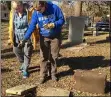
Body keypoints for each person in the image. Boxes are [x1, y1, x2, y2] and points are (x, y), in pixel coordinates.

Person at [20, 1, 65, 83]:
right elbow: (31, 27)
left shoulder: (55, 8)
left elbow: (62, 20)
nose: (39, 12)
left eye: (40, 10)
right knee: (43, 56)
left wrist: (54, 24)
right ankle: (42, 76)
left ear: (44, 5)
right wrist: (25, 38)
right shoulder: (36, 13)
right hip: (43, 37)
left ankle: (53, 74)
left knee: (54, 57)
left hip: (55, 36)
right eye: (37, 10)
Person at [8, 1, 39, 78]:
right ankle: (23, 63)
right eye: (14, 8)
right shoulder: (13, 13)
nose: (16, 9)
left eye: (17, 7)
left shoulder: (29, 12)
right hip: (16, 37)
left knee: (27, 53)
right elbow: (11, 26)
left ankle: (25, 69)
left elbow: (34, 24)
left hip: (27, 37)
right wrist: (10, 37)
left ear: (21, 5)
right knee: (16, 51)